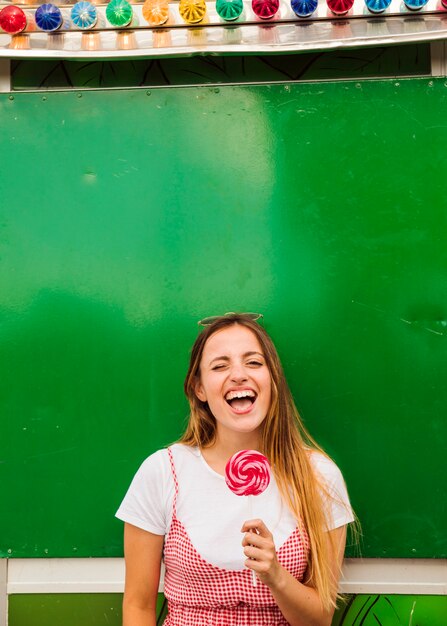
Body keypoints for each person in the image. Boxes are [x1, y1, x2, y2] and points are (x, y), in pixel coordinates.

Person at [116, 313, 355, 626]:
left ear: (273, 380)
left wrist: (276, 576)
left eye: (254, 362)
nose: (239, 375)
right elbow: (137, 606)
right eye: (220, 365)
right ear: (199, 388)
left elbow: (320, 620)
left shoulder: (319, 476)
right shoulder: (163, 471)